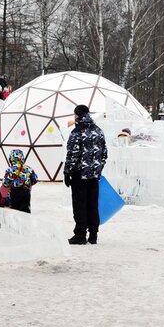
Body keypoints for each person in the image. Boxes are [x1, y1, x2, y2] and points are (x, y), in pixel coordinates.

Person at [63, 105, 108, 245]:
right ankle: (93, 234)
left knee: (80, 204)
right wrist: (97, 169)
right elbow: (104, 154)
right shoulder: (98, 131)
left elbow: (73, 154)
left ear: (77, 115)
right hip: (94, 176)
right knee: (92, 204)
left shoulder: (77, 131)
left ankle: (80, 235)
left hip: (79, 175)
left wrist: (67, 171)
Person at [2, 149, 38, 214]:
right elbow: (35, 179)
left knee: (15, 210)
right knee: (25, 210)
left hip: (14, 192)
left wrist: (7, 185)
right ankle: (26, 222)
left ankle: (16, 223)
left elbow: (5, 183)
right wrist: (29, 183)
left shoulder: (10, 169)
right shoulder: (28, 168)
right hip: (26, 192)